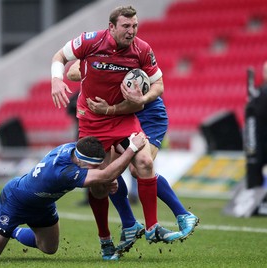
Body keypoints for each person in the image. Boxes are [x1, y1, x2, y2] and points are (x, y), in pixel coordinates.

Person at [51, 6, 185, 260]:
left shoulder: (142, 49)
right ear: (111, 27)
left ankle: (152, 226)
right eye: (126, 26)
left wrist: (141, 97)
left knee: (144, 162)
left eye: (134, 26)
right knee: (100, 183)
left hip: (123, 116)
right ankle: (106, 239)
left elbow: (158, 83)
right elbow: (61, 59)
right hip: (92, 121)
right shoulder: (90, 41)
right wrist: (57, 79)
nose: (131, 31)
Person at [0, 133, 156, 260]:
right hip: (15, 200)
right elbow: (105, 173)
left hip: (43, 204)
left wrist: (106, 178)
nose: (92, 169)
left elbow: (101, 175)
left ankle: (13, 231)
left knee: (48, 248)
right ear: (84, 161)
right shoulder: (65, 172)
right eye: (91, 166)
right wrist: (132, 149)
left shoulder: (73, 150)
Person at [67, 58, 199, 238]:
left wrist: (104, 73)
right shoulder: (97, 51)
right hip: (121, 117)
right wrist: (98, 68)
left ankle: (182, 214)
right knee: (107, 173)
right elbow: (72, 73)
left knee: (139, 167)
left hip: (147, 115)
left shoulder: (135, 54)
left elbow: (152, 91)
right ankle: (129, 224)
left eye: (132, 27)